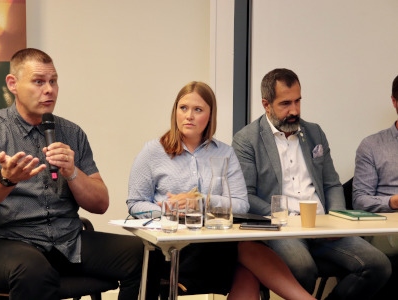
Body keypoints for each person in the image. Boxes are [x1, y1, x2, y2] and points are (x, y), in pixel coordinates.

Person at [0, 48, 143, 300]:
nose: (49, 90)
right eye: (38, 82)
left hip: (67, 241)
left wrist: (73, 172)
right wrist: (6, 178)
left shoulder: (71, 132)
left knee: (142, 255)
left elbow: (100, 204)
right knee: (32, 269)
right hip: (3, 244)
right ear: (13, 84)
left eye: (53, 81)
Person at [127, 80, 315, 300]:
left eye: (198, 110)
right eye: (183, 108)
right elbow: (134, 203)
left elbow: (241, 203)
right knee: (246, 254)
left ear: (210, 115)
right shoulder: (153, 151)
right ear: (175, 112)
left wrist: (201, 203)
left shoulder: (225, 153)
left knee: (245, 256)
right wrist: (169, 210)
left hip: (217, 244)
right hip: (175, 249)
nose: (189, 116)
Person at [232, 68, 392, 299]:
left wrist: (335, 218)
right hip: (284, 228)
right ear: (266, 105)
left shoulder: (314, 132)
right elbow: (245, 196)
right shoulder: (247, 140)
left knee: (378, 265)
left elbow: (332, 184)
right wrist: (284, 217)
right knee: (302, 268)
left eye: (298, 101)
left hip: (322, 224)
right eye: (285, 103)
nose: (294, 110)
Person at [352, 74, 398, 299]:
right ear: (394, 102)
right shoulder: (372, 146)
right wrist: (392, 201)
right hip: (387, 228)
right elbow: (359, 199)